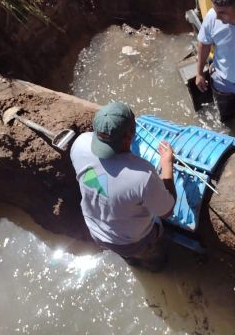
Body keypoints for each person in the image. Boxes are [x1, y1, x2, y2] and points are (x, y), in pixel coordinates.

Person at [70, 101, 176, 271]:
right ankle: (154, 266)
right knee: (154, 256)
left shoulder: (79, 143)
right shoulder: (143, 175)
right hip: (131, 241)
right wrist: (167, 164)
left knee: (127, 254)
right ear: (129, 135)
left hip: (96, 232)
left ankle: (132, 261)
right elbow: (167, 211)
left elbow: (105, 178)